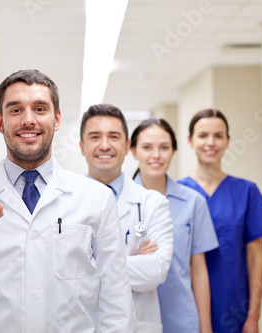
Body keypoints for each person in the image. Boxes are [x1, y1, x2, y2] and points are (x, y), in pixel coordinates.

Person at [0, 69, 137, 333]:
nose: (28, 120)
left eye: (40, 109)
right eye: (15, 110)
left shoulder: (95, 199)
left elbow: (117, 302)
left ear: (56, 119)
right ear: (0, 123)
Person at [179, 108, 262, 333]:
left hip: (234, 308)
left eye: (218, 135)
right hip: (185, 306)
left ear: (228, 141)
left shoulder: (246, 192)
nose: (210, 142)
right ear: (190, 141)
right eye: (203, 135)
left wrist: (253, 317)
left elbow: (256, 258)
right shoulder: (177, 193)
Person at [79, 104, 173, 332]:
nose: (104, 145)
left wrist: (85, 263)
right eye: (94, 137)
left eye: (113, 136)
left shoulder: (153, 203)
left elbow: (156, 270)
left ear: (127, 145)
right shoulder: (62, 204)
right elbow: (55, 273)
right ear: (82, 147)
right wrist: (129, 260)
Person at [129, 118, 219, 333]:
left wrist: (205, 328)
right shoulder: (116, 201)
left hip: (181, 318)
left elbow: (198, 271)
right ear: (132, 151)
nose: (156, 155)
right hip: (134, 318)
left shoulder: (193, 201)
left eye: (164, 147)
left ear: (174, 151)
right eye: (147, 147)